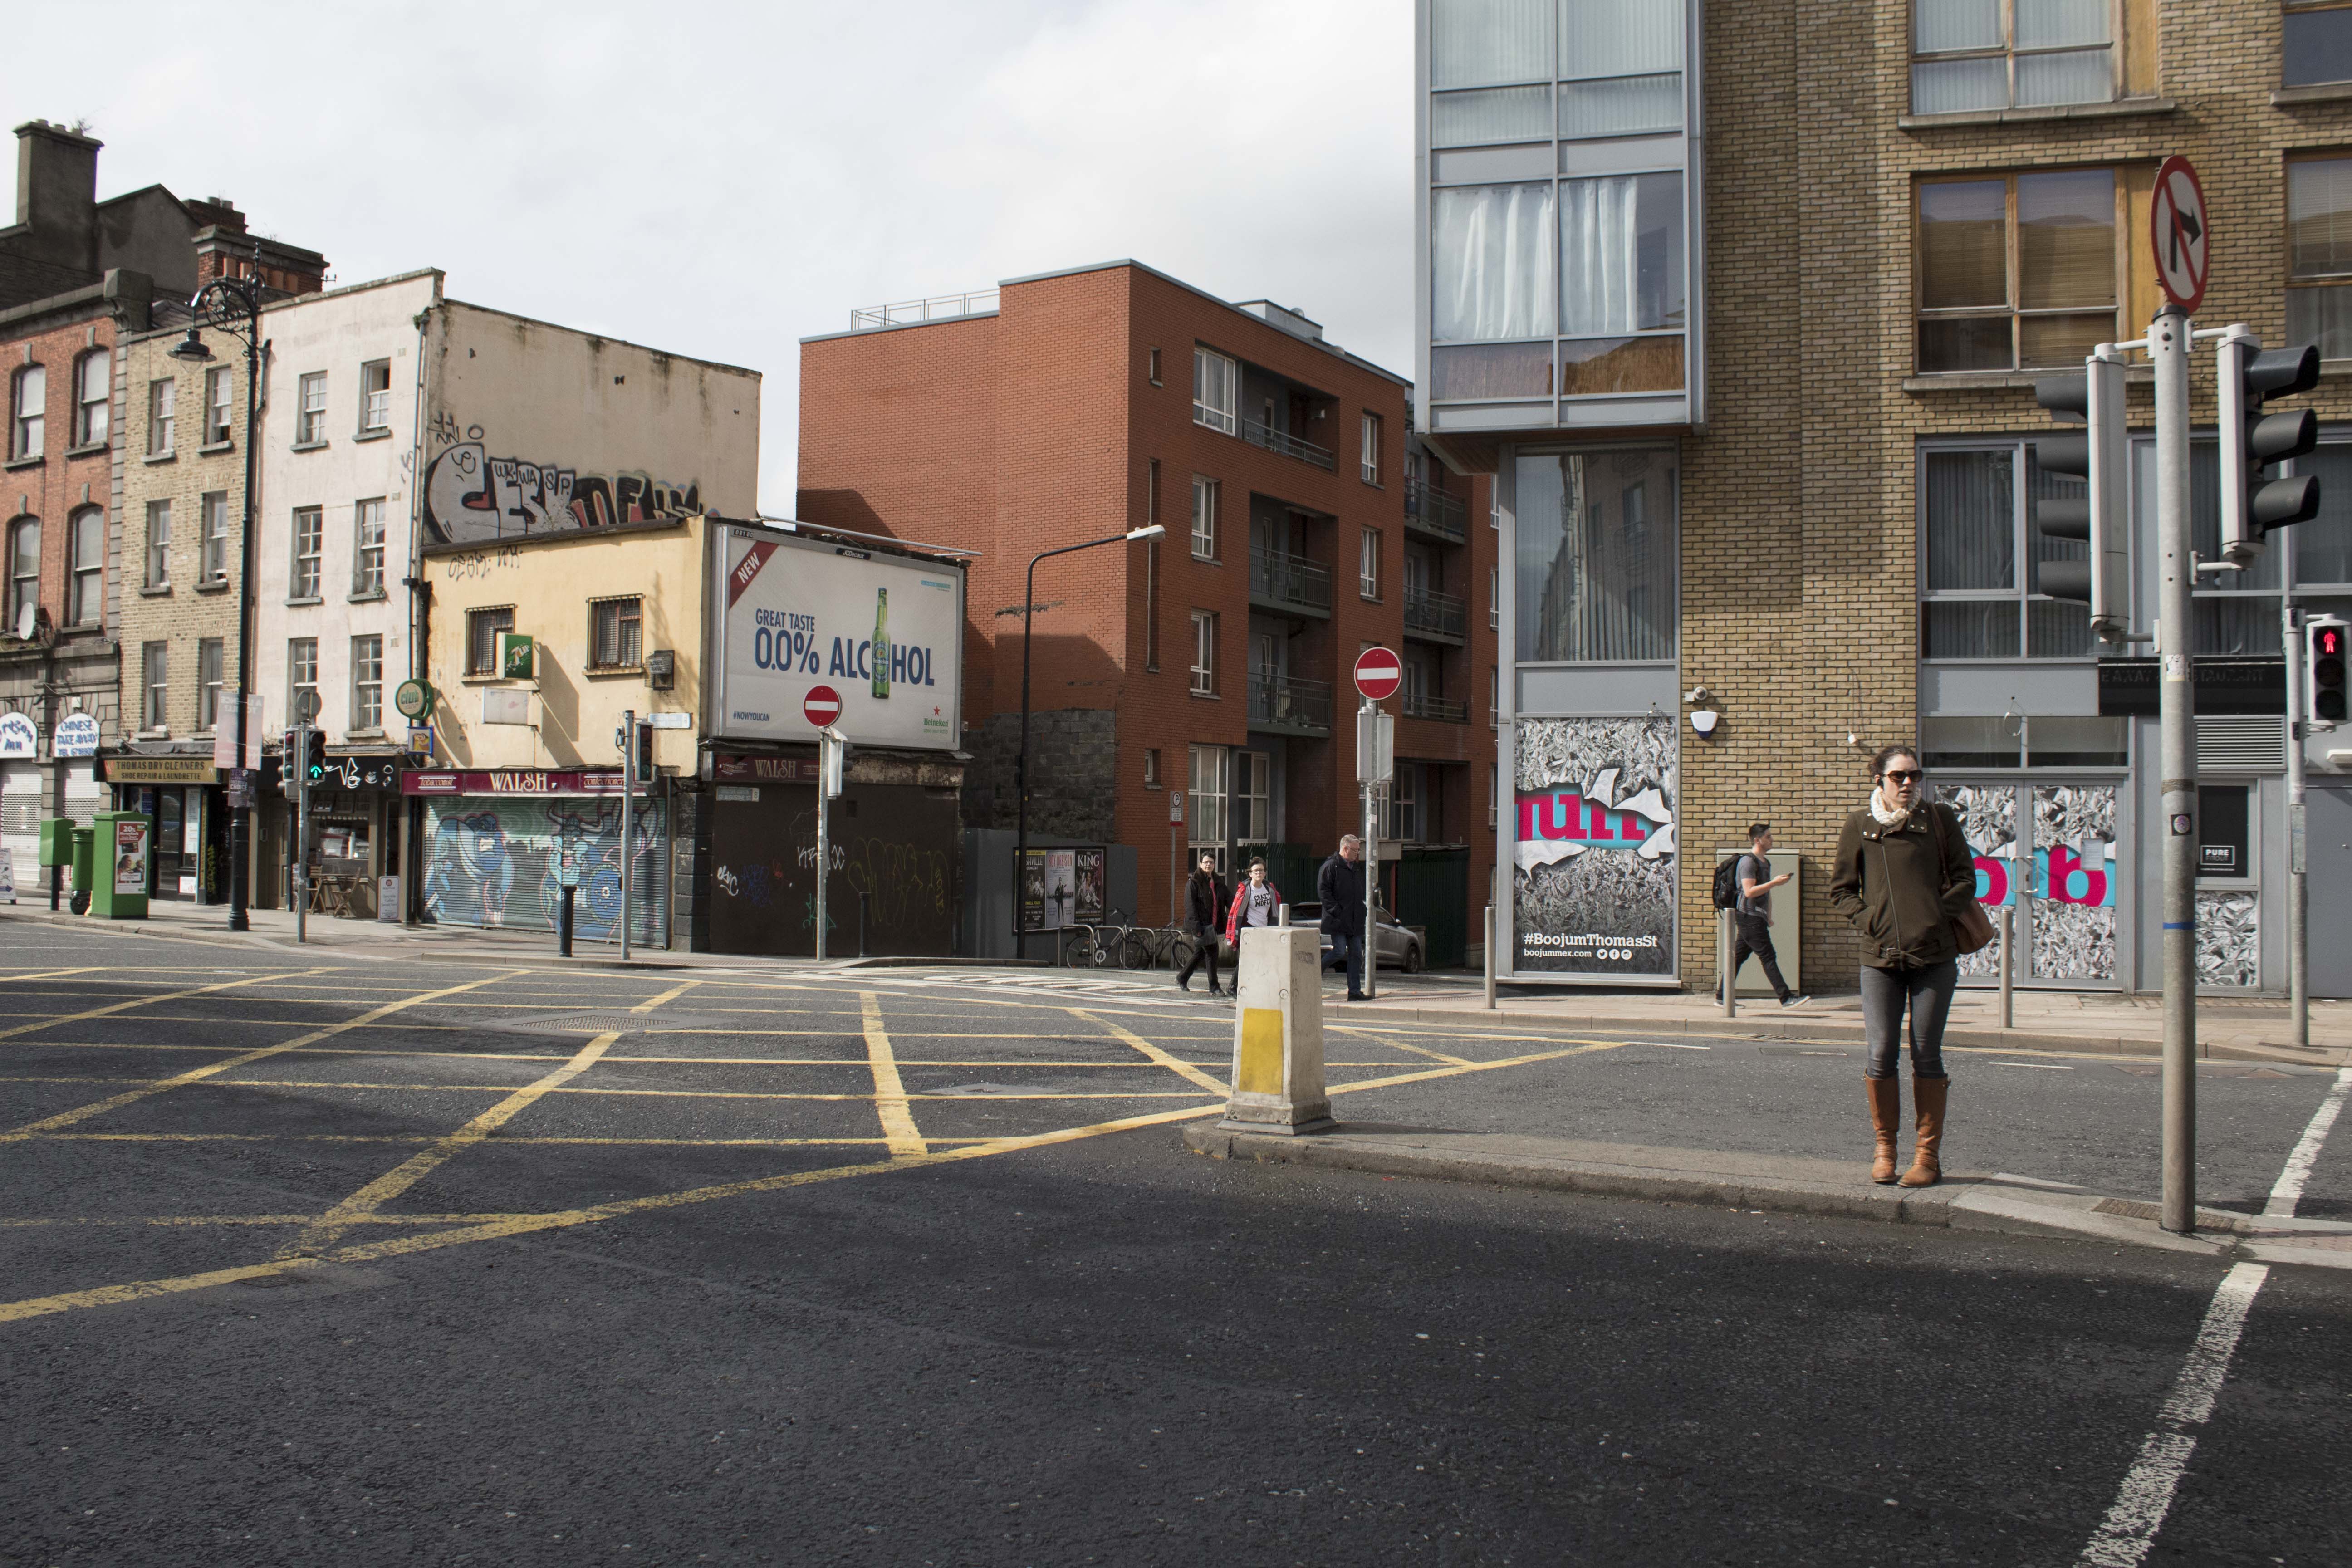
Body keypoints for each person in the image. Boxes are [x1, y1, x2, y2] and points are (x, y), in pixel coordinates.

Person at [1829, 744, 1974, 1189]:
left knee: (1927, 1053)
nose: (1909, 783)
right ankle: (1885, 1150)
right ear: (1879, 779)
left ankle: (1927, 1158)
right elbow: (1842, 890)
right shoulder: (1860, 824)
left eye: (1915, 775)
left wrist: (1933, 917)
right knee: (1881, 1052)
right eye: (1899, 776)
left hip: (1934, 957)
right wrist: (1872, 921)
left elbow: (1966, 880)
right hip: (1881, 959)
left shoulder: (1940, 820)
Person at [1715, 823, 1809, 1009]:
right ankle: (1786, 998)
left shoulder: (1765, 862)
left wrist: (1769, 915)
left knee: (1738, 957)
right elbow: (1749, 892)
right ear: (1757, 840)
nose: (1772, 840)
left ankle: (1722, 997)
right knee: (1768, 956)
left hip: (1757, 916)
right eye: (1768, 837)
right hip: (1748, 915)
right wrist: (1774, 883)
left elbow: (1766, 893)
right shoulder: (1748, 862)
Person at [1317, 834, 1368, 1001]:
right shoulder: (1331, 866)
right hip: (1338, 919)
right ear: (1345, 849)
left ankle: (1354, 991)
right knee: (1339, 951)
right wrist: (1336, 911)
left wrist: (1362, 909)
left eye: (1359, 850)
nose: (1358, 854)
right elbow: (1323, 892)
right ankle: (1315, 972)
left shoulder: (1355, 868)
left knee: (1356, 954)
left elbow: (1357, 893)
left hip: (1354, 919)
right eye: (1355, 850)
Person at [1176, 852, 1230, 995]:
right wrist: (1196, 927)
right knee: (1213, 952)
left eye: (1211, 862)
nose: (1208, 865)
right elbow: (1190, 907)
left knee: (1200, 954)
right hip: (1202, 926)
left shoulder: (1218, 882)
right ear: (1201, 864)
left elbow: (1229, 900)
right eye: (1206, 862)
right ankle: (1214, 986)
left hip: (1214, 925)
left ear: (1214, 865)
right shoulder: (1194, 882)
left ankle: (1182, 978)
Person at [1225, 857, 1284, 950]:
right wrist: (1231, 936)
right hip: (1250, 929)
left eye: (1261, 870)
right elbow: (1234, 912)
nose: (1259, 873)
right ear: (1250, 874)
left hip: (1266, 929)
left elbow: (1276, 908)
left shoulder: (1270, 889)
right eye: (1256, 871)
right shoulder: (1244, 890)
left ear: (1265, 873)